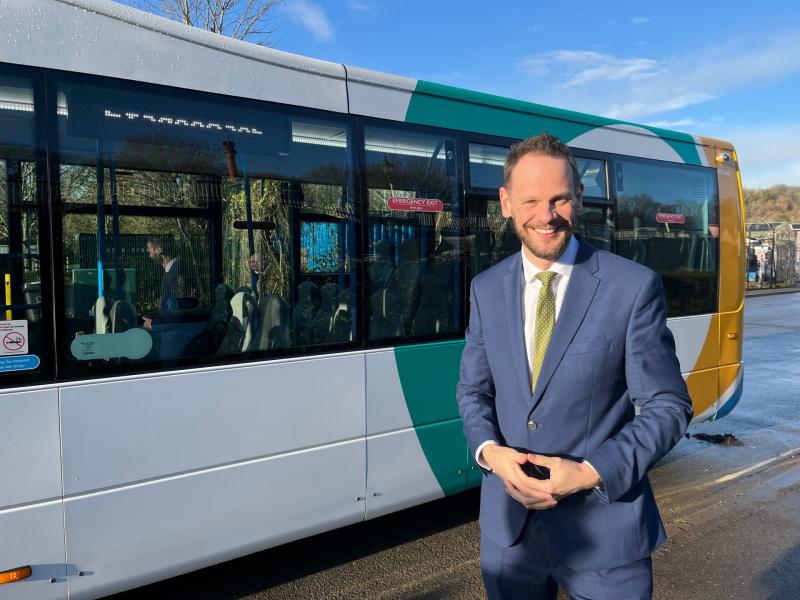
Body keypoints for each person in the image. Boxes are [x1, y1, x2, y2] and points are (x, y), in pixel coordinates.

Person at [457, 132, 692, 600]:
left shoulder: (633, 287)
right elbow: (474, 392)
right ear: (505, 203)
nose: (545, 216)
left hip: (607, 538)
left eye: (559, 199)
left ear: (578, 198)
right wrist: (491, 454)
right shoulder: (485, 289)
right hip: (510, 536)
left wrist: (588, 473)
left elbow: (668, 406)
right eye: (530, 200)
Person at [142, 235, 191, 330]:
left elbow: (177, 312)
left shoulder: (176, 272)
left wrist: (154, 324)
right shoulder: (171, 270)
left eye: (151, 248)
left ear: (160, 249)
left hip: (174, 334)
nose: (149, 253)